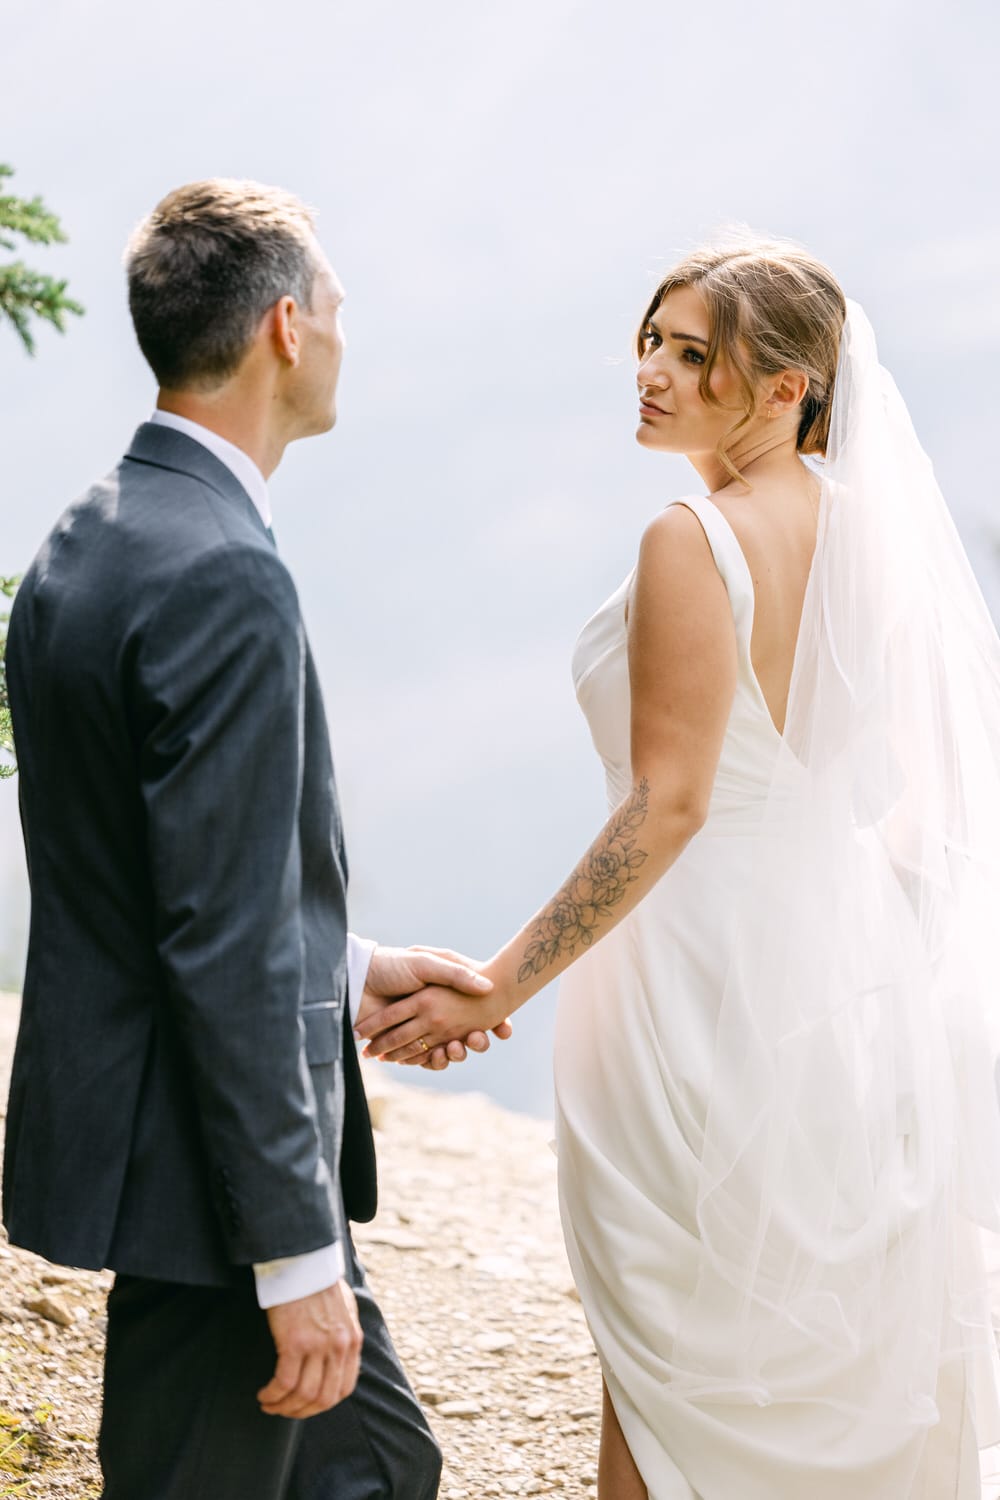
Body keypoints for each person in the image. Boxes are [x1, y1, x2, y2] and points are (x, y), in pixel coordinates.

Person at [357, 237, 1000, 1498]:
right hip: (847, 988)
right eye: (650, 338)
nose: (651, 371)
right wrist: (885, 978)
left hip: (693, 988)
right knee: (815, 1350)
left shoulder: (689, 539)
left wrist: (500, 982)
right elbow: (922, 809)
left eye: (695, 354)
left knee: (662, 1380)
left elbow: (668, 805)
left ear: (788, 388)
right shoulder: (875, 537)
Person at [2, 178, 507, 1500]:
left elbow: (169, 876)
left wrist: (348, 971)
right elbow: (215, 944)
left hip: (179, 1158)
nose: (345, 330)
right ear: (287, 328)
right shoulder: (225, 571)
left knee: (381, 1468)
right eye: (336, 304)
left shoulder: (93, 533)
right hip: (211, 1195)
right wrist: (296, 1261)